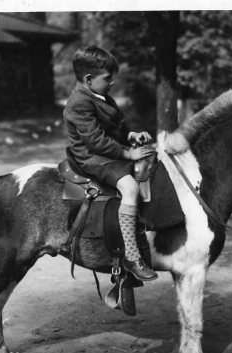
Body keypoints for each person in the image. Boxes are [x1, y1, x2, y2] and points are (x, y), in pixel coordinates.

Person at [63, 45, 158, 281]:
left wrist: (131, 136)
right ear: (88, 79)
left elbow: (117, 125)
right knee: (130, 187)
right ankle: (132, 255)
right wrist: (128, 154)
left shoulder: (101, 95)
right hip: (93, 158)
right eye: (107, 78)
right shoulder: (78, 103)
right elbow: (96, 141)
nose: (112, 82)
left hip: (107, 153)